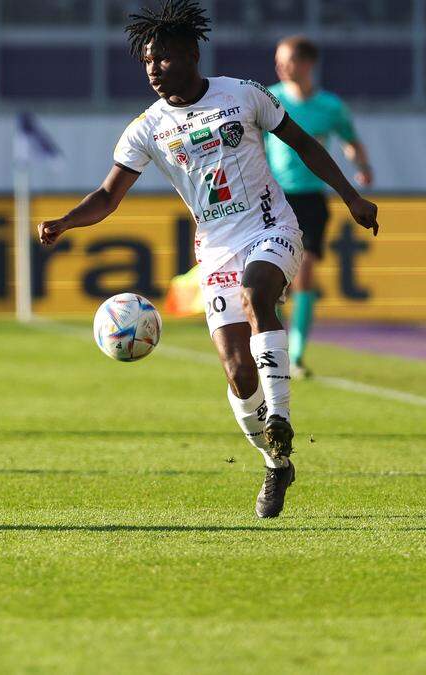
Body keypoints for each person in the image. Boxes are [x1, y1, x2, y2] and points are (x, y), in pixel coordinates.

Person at [37, 0, 379, 518]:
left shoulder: (242, 94)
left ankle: (281, 416)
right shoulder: (147, 128)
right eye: (147, 62)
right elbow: (108, 197)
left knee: (259, 290)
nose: (153, 69)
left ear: (191, 53)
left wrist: (351, 197)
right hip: (215, 247)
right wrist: (65, 221)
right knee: (239, 374)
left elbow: (304, 144)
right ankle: (276, 462)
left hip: (272, 226)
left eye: (163, 58)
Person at [267, 35, 374, 378]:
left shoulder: (330, 106)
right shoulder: (269, 98)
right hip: (273, 197)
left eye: (288, 60)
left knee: (305, 271)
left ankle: (296, 355)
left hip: (311, 199)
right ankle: (276, 350)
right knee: (274, 279)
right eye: (278, 60)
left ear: (307, 64)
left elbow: (350, 140)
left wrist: (362, 166)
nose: (281, 67)